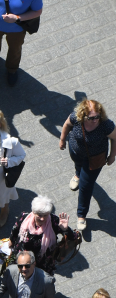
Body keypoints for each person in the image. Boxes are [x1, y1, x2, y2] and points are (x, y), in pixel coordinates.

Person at [60, 99, 116, 232]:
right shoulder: (76, 117)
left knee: (86, 187)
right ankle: (78, 174)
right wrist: (62, 140)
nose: (96, 119)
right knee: (78, 166)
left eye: (98, 116)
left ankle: (81, 215)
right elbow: (67, 124)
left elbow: (115, 138)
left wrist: (113, 155)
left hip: (95, 159)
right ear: (83, 114)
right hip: (76, 152)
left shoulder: (106, 125)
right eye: (92, 118)